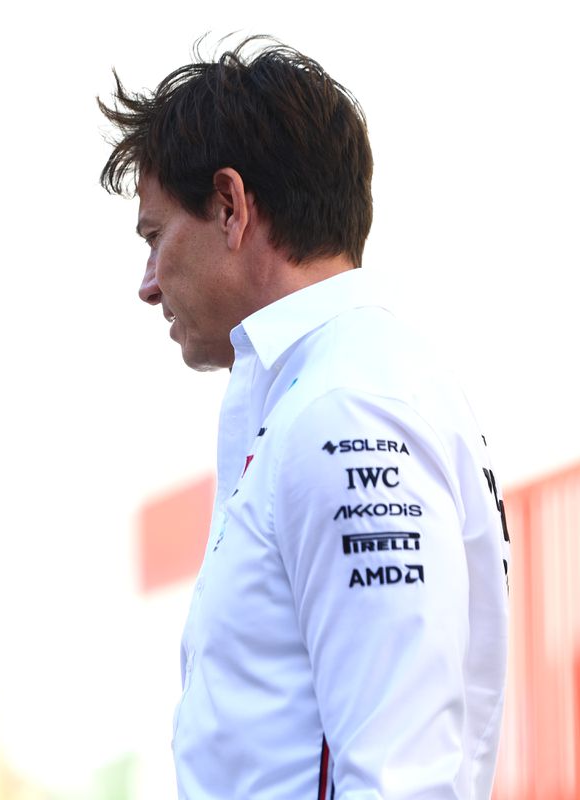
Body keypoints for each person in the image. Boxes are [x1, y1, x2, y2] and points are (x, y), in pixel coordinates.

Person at [99, 38, 510, 798]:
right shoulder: (332, 385)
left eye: (155, 237)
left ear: (230, 206)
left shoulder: (341, 406)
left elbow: (400, 777)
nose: (148, 284)